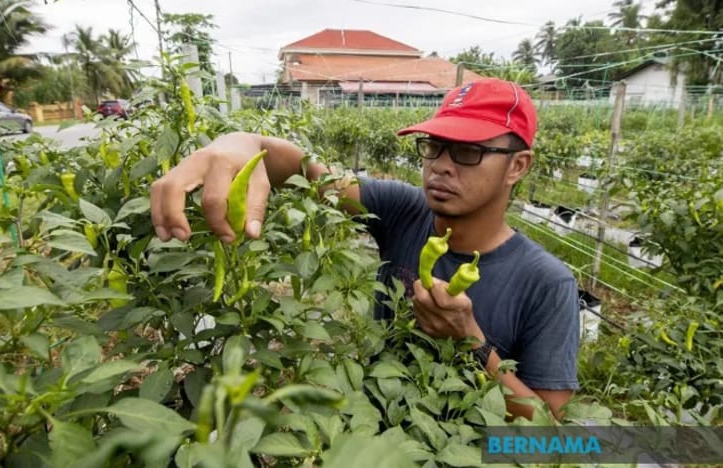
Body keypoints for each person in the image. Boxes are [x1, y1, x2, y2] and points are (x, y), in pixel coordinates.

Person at [150, 78, 580, 420]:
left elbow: (552, 437)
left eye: (468, 152)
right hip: (370, 434)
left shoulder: (546, 282)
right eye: (433, 146)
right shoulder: (404, 211)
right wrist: (241, 144)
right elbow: (305, 171)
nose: (441, 165)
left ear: (517, 165)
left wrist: (471, 343)